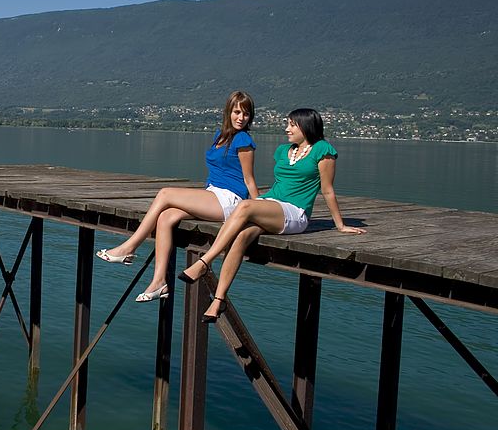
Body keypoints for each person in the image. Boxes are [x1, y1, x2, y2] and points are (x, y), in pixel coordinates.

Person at [177, 108, 366, 322]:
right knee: (241, 236)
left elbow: (328, 190)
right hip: (271, 205)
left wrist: (339, 225)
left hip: (295, 212)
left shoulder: (323, 150)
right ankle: (219, 300)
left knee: (246, 206)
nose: (287, 129)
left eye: (292, 125)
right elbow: (278, 186)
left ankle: (206, 261)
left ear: (306, 127)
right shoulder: (283, 150)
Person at [96, 90, 259, 302]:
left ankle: (129, 247)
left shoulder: (244, 139)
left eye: (246, 114)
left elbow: (249, 180)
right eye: (237, 112)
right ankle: (159, 282)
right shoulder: (220, 136)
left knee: (165, 193)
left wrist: (258, 211)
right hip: (213, 194)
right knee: (165, 217)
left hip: (231, 199)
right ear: (228, 112)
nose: (241, 118)